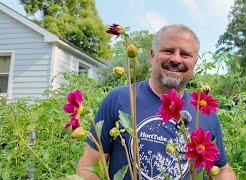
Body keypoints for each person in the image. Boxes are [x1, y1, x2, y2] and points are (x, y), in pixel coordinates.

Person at [76, 24, 236, 179]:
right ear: (152, 55)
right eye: (168, 51)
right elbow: (89, 167)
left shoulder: (205, 111)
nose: (176, 59)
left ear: (195, 62)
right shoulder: (119, 99)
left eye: (185, 54)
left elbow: (222, 170)